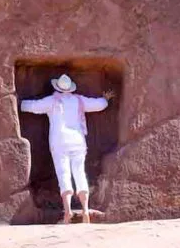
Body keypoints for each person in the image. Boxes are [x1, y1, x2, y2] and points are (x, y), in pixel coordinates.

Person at [20, 74, 114, 224]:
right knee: (80, 173)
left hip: (59, 142)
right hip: (77, 141)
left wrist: (19, 102)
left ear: (57, 87)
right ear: (70, 88)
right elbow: (99, 105)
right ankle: (84, 210)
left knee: (63, 174)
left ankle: (68, 212)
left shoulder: (52, 101)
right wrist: (105, 99)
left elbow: (32, 106)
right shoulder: (79, 100)